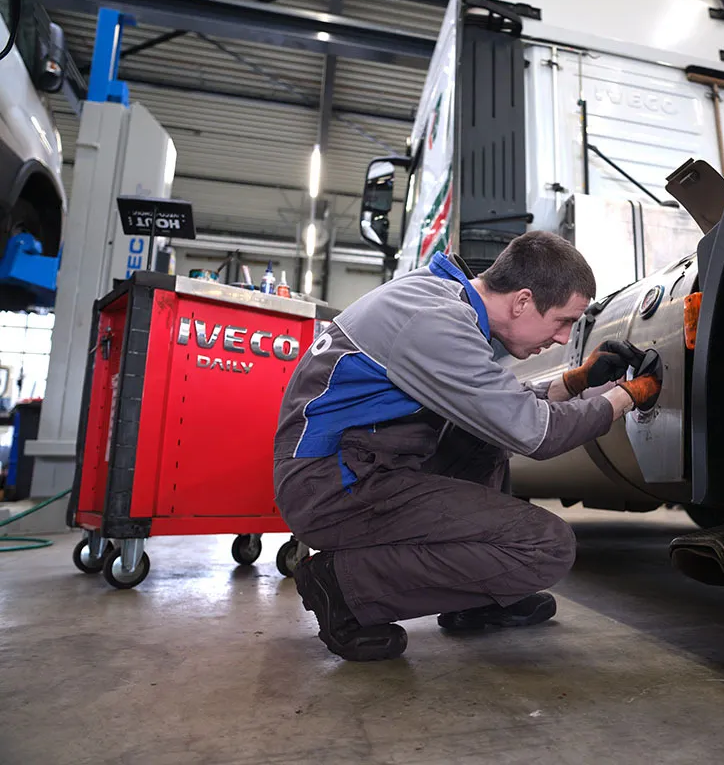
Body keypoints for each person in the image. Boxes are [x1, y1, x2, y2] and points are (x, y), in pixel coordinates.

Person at [273, 231, 662, 661]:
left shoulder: (440, 299)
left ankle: (474, 601)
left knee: (482, 436)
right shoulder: (435, 322)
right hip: (333, 487)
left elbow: (496, 407)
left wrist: (573, 383)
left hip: (357, 464)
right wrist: (626, 397)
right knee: (546, 547)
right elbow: (538, 435)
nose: (563, 339)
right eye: (563, 321)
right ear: (522, 301)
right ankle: (343, 586)